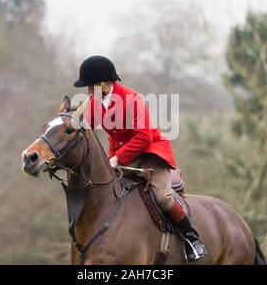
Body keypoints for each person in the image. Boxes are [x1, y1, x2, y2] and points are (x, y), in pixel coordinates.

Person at [73, 55, 206, 262]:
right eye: (88, 88)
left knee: (163, 197)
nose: (90, 93)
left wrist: (118, 158)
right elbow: (102, 133)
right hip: (125, 156)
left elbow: (143, 137)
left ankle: (192, 239)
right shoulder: (95, 103)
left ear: (107, 83)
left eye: (93, 87)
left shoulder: (131, 99)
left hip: (151, 154)